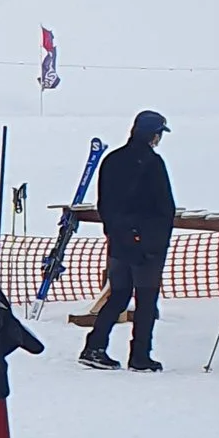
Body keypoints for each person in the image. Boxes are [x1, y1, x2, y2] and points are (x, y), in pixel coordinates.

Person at [81, 109, 175, 372]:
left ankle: (94, 347)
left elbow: (104, 204)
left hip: (119, 242)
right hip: (147, 245)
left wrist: (115, 232)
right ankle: (140, 356)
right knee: (146, 301)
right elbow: (164, 207)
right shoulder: (153, 164)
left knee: (118, 296)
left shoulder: (112, 160)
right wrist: (155, 241)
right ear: (154, 135)